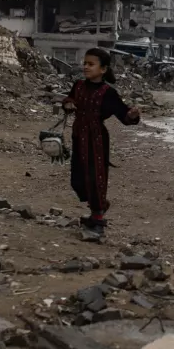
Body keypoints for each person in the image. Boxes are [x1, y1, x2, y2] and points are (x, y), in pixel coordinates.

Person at [62, 48, 141, 241]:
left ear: (103, 69)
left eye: (91, 64)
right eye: (85, 63)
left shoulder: (108, 93)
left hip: (97, 141)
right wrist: (68, 104)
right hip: (78, 136)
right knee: (78, 180)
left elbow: (123, 114)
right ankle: (99, 205)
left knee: (96, 179)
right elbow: (68, 99)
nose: (86, 67)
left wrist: (132, 115)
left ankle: (97, 221)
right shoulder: (78, 85)